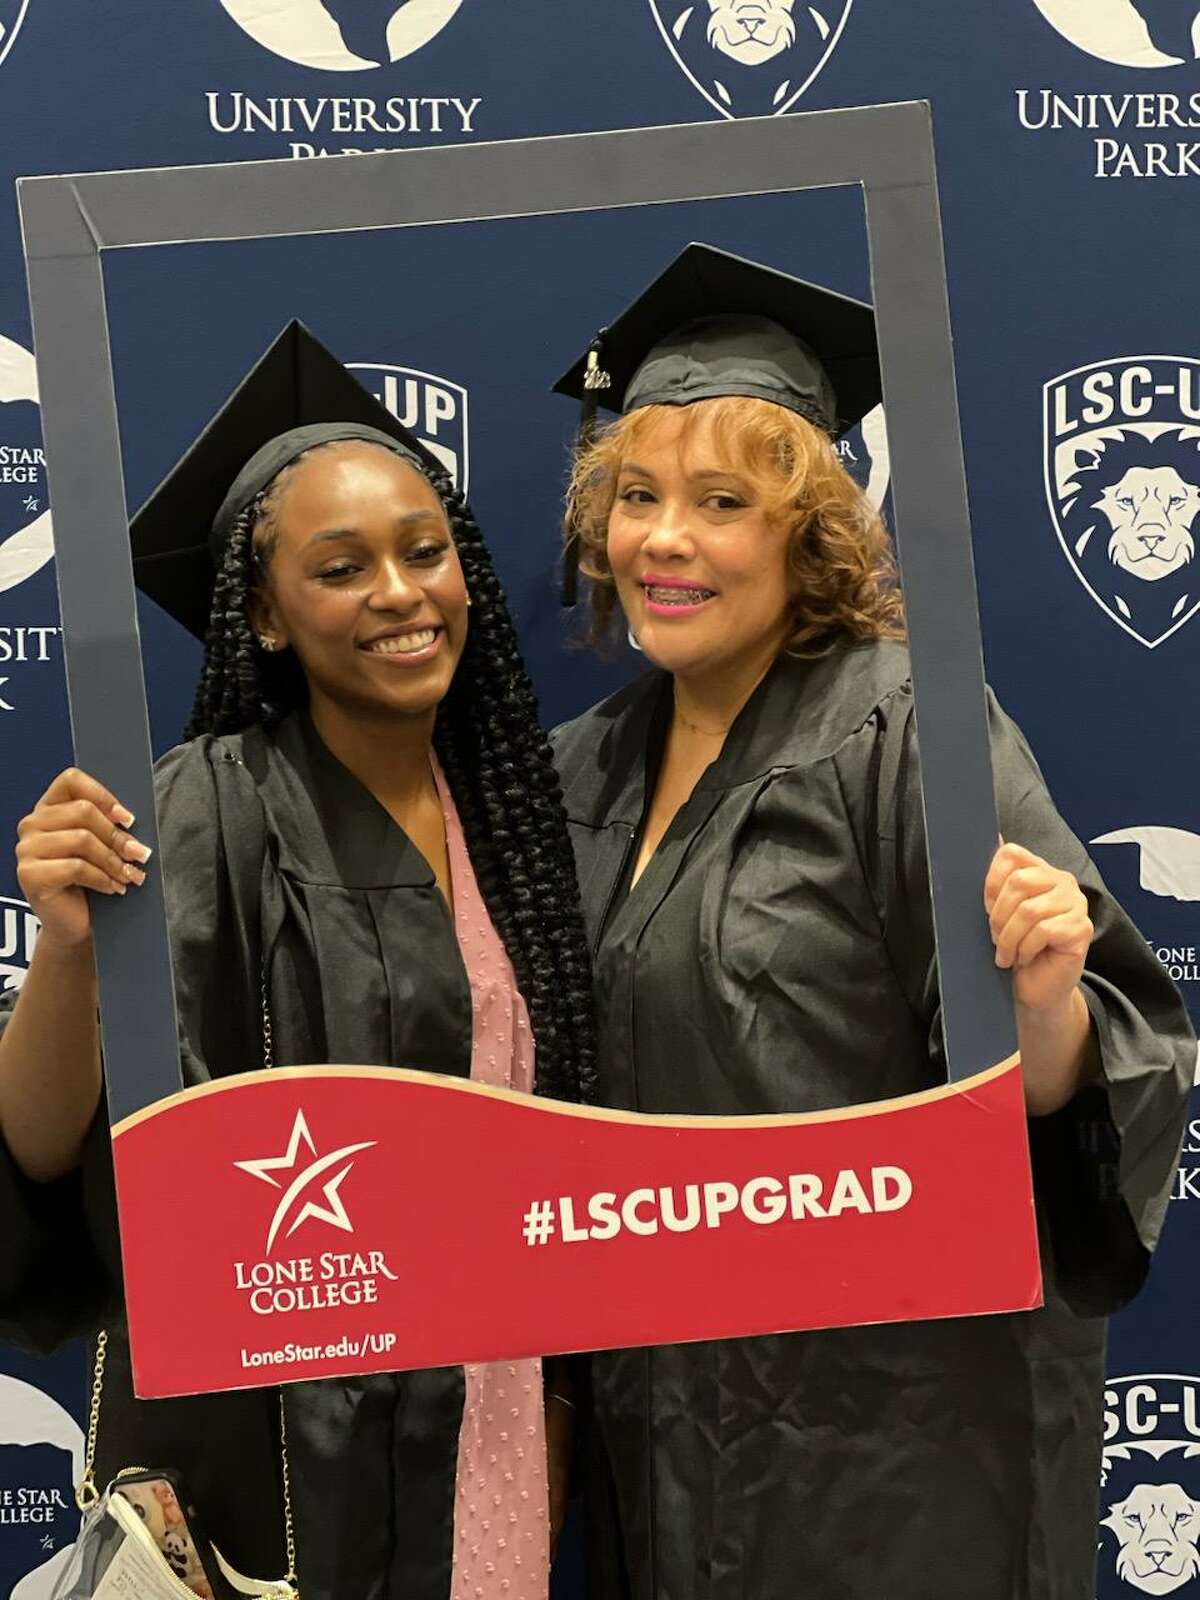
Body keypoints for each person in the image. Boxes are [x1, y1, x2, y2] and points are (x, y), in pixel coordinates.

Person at [549, 243, 1195, 1600]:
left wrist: (1046, 1010)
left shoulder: (911, 727)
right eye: (636, 495)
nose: (662, 539)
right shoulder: (574, 773)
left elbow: (1110, 1064)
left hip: (882, 1444)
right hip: (646, 1425)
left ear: (807, 531)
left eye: (721, 501)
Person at [0, 322, 594, 1600]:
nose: (398, 590)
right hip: (281, 1451)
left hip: (486, 1418)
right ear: (262, 613)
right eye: (340, 567)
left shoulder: (518, 826)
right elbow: (44, 1146)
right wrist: (64, 949)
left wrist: (547, 1413)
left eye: (423, 550)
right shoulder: (204, 810)